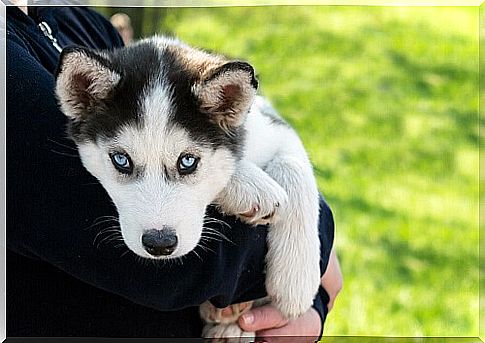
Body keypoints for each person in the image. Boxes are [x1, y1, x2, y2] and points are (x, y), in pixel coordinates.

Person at [6, 4, 342, 339]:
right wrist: (318, 238)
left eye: (187, 163)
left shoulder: (76, 21)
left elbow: (255, 135)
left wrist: (303, 221)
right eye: (123, 161)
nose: (158, 224)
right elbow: (175, 274)